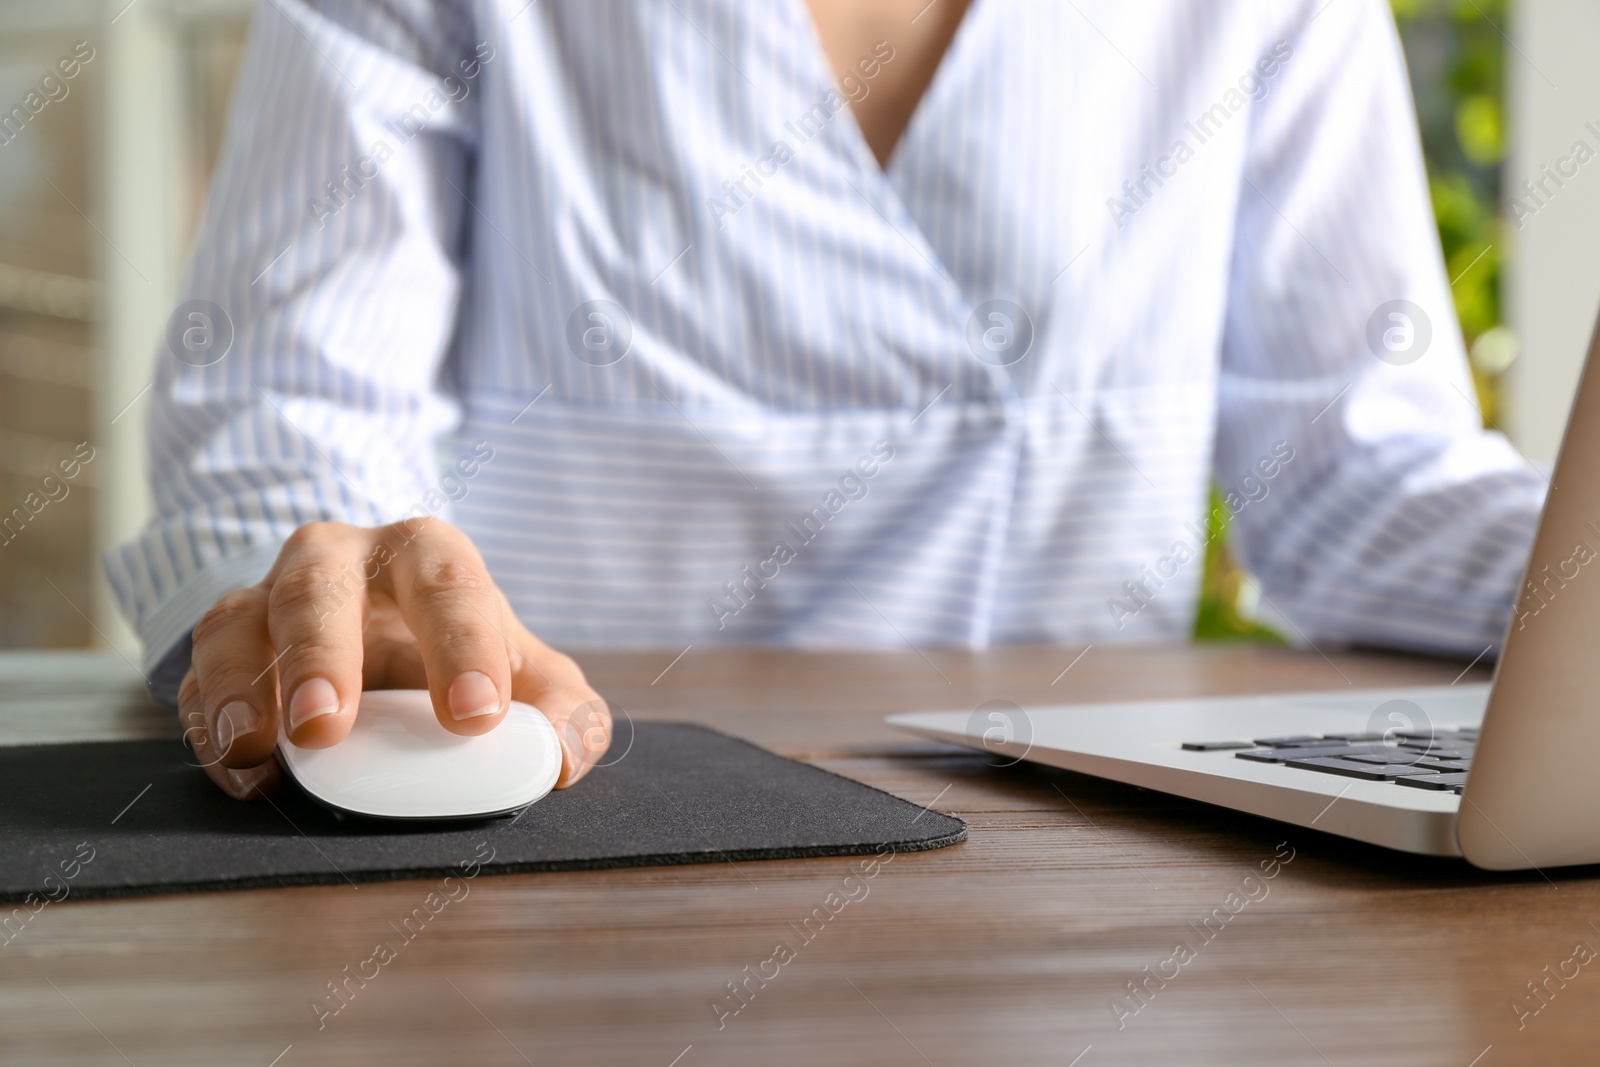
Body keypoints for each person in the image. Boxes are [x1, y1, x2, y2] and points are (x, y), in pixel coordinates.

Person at [108, 0, 1544, 800]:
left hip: (1084, 879)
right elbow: (291, 421)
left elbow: (1361, 471)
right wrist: (320, 607)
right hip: (546, 848)